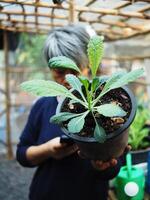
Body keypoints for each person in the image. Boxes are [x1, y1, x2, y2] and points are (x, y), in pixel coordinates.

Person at [16, 25, 128, 200]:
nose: (68, 79)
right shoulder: (42, 105)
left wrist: (102, 166)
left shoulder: (108, 104)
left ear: (87, 65)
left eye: (75, 71)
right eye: (60, 72)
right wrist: (48, 150)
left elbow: (115, 166)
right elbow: (22, 155)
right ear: (50, 68)